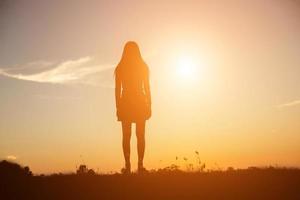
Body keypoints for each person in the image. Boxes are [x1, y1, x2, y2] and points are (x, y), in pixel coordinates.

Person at [114, 41, 151, 174]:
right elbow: (147, 88)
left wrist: (118, 106)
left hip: (127, 103)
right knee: (140, 135)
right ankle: (139, 165)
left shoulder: (120, 67)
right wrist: (149, 105)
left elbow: (117, 90)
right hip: (140, 102)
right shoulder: (143, 66)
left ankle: (128, 166)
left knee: (127, 135)